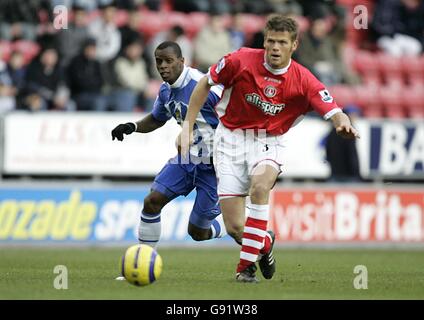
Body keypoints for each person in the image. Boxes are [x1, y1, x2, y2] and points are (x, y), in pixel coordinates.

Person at [180, 14, 360, 283]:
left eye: (282, 43)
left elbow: (334, 109)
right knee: (235, 228)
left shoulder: (304, 80)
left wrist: (342, 124)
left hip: (268, 141)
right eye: (271, 41)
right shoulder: (238, 60)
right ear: (264, 41)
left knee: (260, 188)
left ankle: (245, 268)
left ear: (294, 45)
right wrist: (187, 126)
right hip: (229, 140)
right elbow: (205, 83)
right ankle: (264, 243)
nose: (275, 48)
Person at [111, 42, 226, 279]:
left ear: (182, 61)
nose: (163, 66)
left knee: (197, 232)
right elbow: (156, 118)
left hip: (214, 167)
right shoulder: (165, 91)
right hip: (185, 160)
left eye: (168, 61)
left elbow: (232, 111)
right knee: (152, 201)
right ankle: (141, 262)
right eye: (158, 61)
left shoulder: (203, 85)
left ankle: (234, 223)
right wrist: (132, 126)